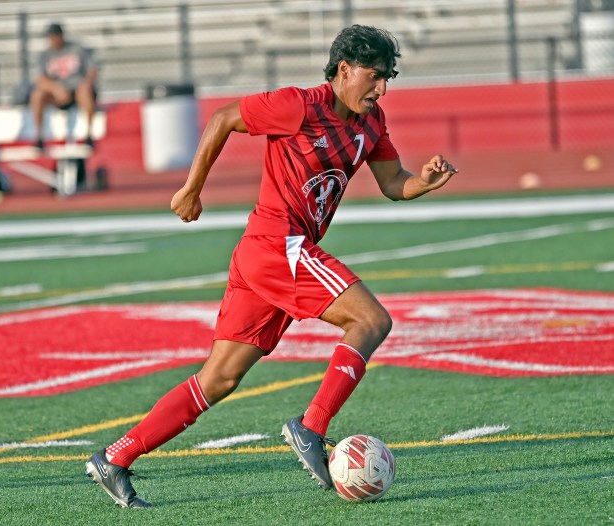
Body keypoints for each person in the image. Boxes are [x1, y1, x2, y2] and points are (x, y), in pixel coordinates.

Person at [85, 24, 458, 509]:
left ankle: (116, 456)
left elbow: (392, 182)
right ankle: (311, 426)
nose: (381, 88)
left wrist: (423, 182)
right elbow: (222, 117)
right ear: (343, 69)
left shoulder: (373, 122)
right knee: (371, 320)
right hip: (277, 245)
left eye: (387, 78)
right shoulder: (298, 105)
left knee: (218, 379)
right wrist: (192, 188)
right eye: (373, 76)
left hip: (268, 257)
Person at [30, 23, 98, 150]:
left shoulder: (76, 49)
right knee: (37, 95)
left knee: (84, 90)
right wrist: (56, 89)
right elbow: (40, 79)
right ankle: (38, 136)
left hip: (76, 91)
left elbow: (92, 70)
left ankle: (89, 134)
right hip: (55, 95)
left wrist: (86, 83)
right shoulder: (45, 55)